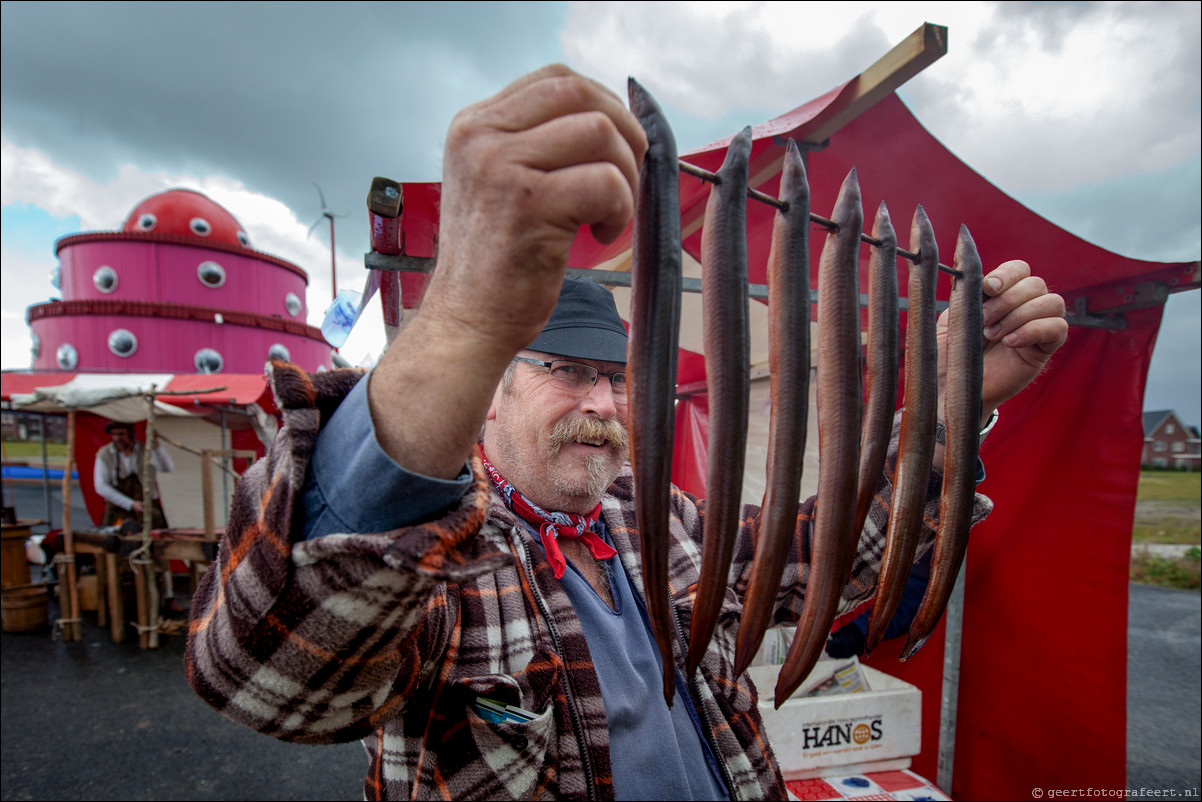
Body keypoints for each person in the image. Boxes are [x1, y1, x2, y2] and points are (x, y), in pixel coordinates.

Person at [185, 65, 1068, 800]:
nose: (602, 405)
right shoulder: (437, 573)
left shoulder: (665, 522)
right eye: (564, 371)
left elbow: (835, 549)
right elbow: (270, 681)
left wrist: (953, 406)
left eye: (613, 377)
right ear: (486, 390)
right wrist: (462, 319)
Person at [95, 419, 182, 616]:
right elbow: (101, 486)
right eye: (114, 434)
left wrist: (157, 446)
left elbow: (167, 467)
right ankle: (120, 601)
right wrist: (130, 504)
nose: (118, 438)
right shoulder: (104, 455)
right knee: (118, 552)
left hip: (148, 509)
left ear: (130, 434)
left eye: (122, 434)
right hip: (119, 510)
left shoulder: (146, 450)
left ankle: (167, 597)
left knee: (159, 551)